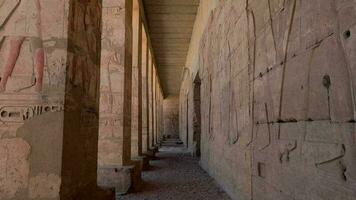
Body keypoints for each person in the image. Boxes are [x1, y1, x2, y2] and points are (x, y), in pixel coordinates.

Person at [0, 0, 44, 92]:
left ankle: (39, 81)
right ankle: (3, 82)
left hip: (30, 12)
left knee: (36, 47)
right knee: (15, 49)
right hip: (22, 12)